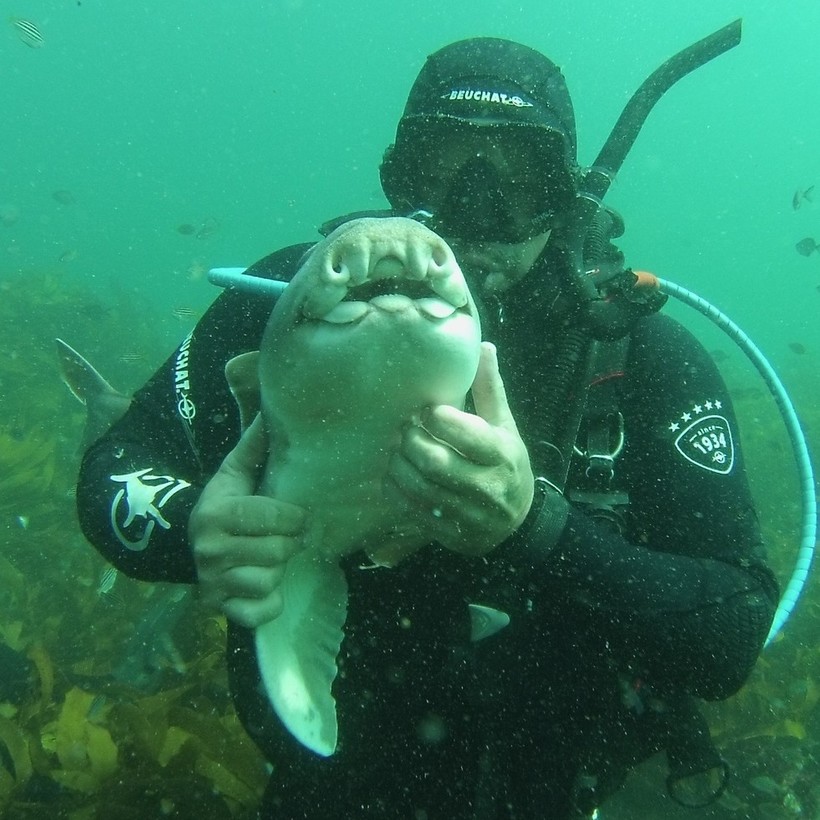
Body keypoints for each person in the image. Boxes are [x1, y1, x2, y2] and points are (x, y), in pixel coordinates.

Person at [76, 37, 778, 818]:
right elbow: (118, 462)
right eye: (442, 169)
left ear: (565, 196)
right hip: (324, 787)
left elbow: (732, 634)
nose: (477, 210)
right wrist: (192, 529)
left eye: (520, 179)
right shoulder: (284, 302)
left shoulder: (640, 359)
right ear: (397, 176)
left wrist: (538, 529)